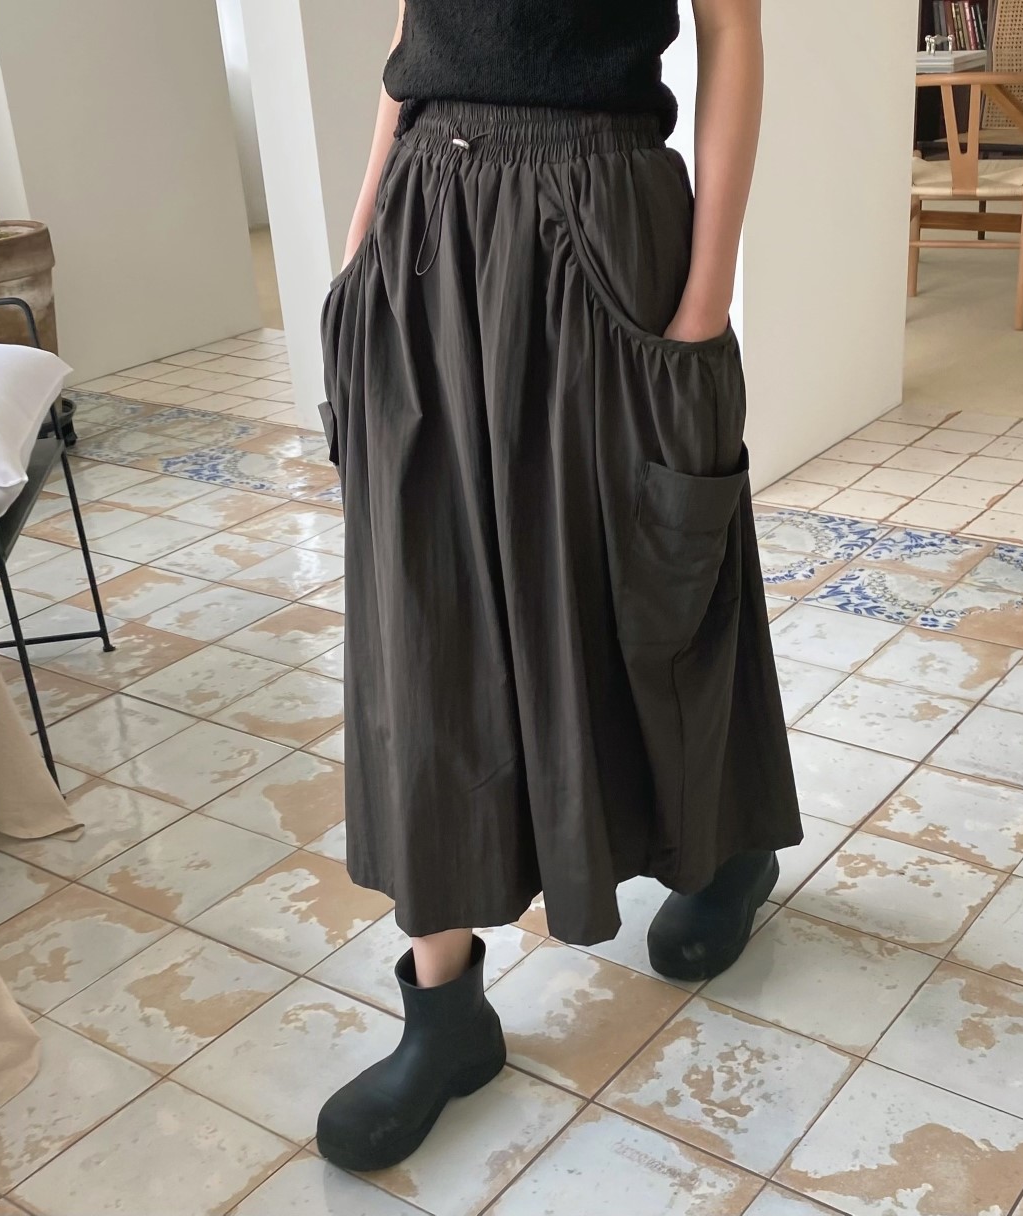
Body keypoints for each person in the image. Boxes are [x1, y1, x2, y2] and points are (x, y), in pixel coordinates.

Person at [317, 0, 801, 1173]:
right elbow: (412, 32)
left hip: (605, 211)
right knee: (421, 618)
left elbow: (731, 31)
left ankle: (728, 844)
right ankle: (444, 1009)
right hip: (426, 219)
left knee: (650, 571)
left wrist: (704, 301)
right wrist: (360, 242)